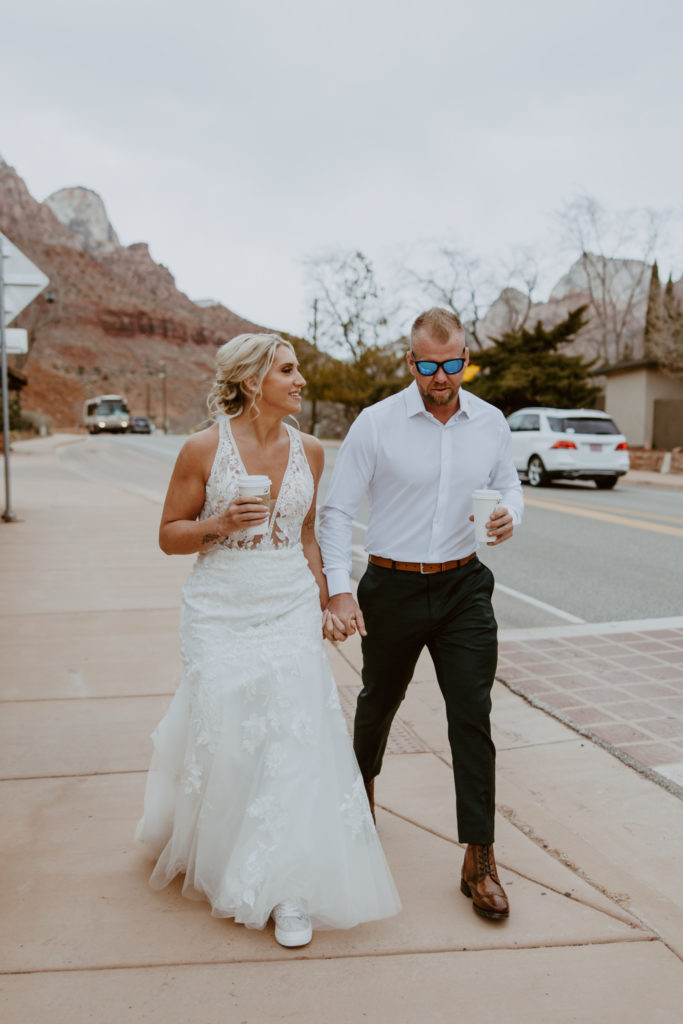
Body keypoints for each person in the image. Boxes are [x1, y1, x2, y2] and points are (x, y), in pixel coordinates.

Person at [136, 333, 400, 948]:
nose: (301, 379)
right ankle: (221, 846)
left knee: (291, 734)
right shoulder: (202, 449)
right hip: (220, 606)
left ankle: (287, 887)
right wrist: (220, 523)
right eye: (288, 370)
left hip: (285, 603)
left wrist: (327, 596)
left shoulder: (309, 450)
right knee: (229, 733)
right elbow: (169, 535)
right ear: (254, 382)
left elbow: (307, 534)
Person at [319, 307, 523, 921]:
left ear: (465, 357)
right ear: (411, 362)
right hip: (391, 585)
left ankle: (480, 857)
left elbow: (510, 486)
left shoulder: (489, 422)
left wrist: (513, 514)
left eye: (454, 362)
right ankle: (360, 807)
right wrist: (338, 589)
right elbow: (335, 513)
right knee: (377, 703)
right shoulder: (376, 424)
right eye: (431, 365)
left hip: (464, 587)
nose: (443, 376)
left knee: (472, 713)